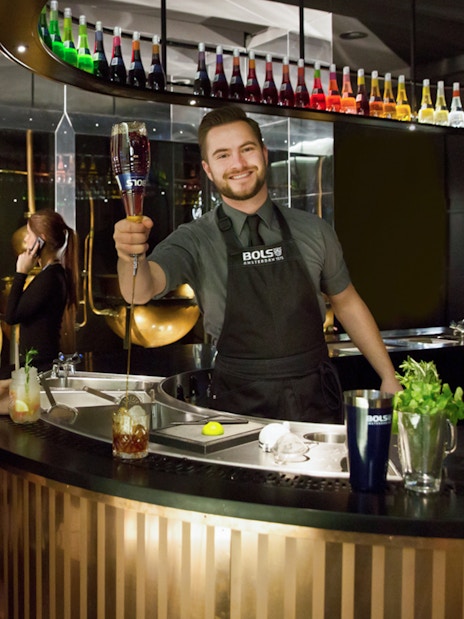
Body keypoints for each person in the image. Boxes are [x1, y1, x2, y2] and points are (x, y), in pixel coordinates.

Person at [113, 105, 401, 423]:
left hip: (315, 396)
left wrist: (388, 375)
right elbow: (139, 290)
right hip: (238, 403)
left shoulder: (313, 229)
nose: (238, 164)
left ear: (263, 154)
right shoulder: (194, 239)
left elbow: (346, 302)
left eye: (246, 149)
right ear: (208, 170)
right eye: (223, 155)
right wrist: (130, 256)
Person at [4, 209, 79, 374]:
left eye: (29, 234)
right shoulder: (52, 274)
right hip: (38, 363)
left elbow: (11, 316)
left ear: (41, 239)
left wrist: (21, 273)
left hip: (40, 365)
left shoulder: (50, 277)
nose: (25, 239)